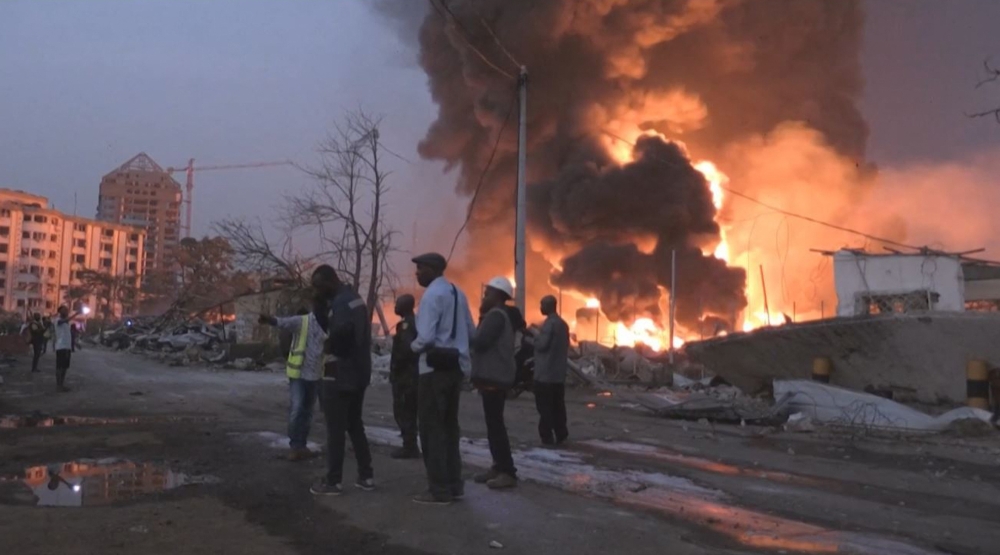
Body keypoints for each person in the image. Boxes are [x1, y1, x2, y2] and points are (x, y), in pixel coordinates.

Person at [410, 252, 475, 505]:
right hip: (455, 369)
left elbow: (425, 338)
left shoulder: (431, 296)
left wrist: (411, 347)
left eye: (420, 268)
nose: (417, 273)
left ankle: (438, 490)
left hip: (433, 371)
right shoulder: (458, 292)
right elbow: (471, 331)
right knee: (449, 429)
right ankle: (454, 484)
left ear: (434, 269)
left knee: (431, 429)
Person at [309, 265, 375, 497]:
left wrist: (331, 344)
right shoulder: (353, 298)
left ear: (329, 281)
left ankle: (333, 481)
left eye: (318, 286)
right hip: (359, 372)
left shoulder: (339, 304)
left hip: (340, 373)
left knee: (335, 429)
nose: (316, 290)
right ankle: (366, 476)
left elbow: (342, 333)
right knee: (354, 424)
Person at [469, 276, 518, 490]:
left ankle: (507, 471)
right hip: (494, 377)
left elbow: (481, 342)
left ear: (498, 296)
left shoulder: (495, 316)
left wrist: (466, 333)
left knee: (496, 426)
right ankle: (498, 466)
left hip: (494, 377)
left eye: (488, 293)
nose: (484, 296)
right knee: (493, 425)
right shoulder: (496, 315)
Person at [259, 307, 326, 461]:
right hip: (299, 374)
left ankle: (301, 446)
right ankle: (295, 446)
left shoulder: (329, 324)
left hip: (316, 375)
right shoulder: (303, 321)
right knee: (297, 409)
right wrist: (270, 319)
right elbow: (282, 322)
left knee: (307, 412)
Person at [533, 295, 571, 446]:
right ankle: (561, 433)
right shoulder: (563, 324)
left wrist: (534, 338)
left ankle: (546, 436)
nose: (540, 308)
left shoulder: (549, 324)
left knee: (545, 407)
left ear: (549, 306)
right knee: (558, 406)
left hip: (545, 375)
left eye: (542, 305)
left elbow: (542, 345)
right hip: (558, 375)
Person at [390, 294, 421, 459]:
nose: (395, 306)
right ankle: (409, 444)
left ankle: (409, 446)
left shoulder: (406, 326)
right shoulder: (412, 323)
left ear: (406, 306)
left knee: (404, 410)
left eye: (398, 303)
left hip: (405, 376)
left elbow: (406, 350)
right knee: (407, 409)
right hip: (409, 375)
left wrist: (397, 368)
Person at [53, 306, 79, 392]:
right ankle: (58, 385)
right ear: (60, 311)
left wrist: (74, 344)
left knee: (64, 367)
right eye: (65, 310)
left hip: (67, 347)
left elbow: (68, 335)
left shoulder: (67, 324)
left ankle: (61, 385)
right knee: (59, 367)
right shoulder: (57, 320)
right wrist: (76, 314)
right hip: (61, 347)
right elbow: (64, 321)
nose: (67, 312)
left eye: (67, 310)